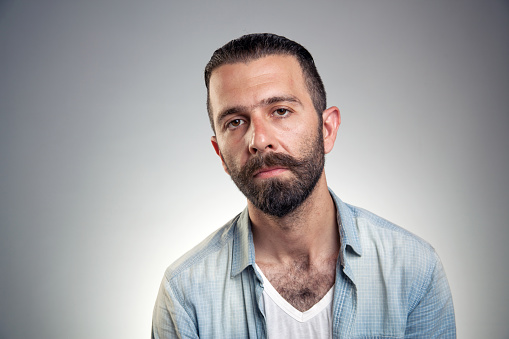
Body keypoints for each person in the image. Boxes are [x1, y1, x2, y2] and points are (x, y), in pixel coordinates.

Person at [152, 33, 456, 338]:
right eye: (235, 122)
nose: (259, 140)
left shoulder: (413, 269)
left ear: (327, 129)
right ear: (220, 153)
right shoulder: (185, 293)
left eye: (280, 111)